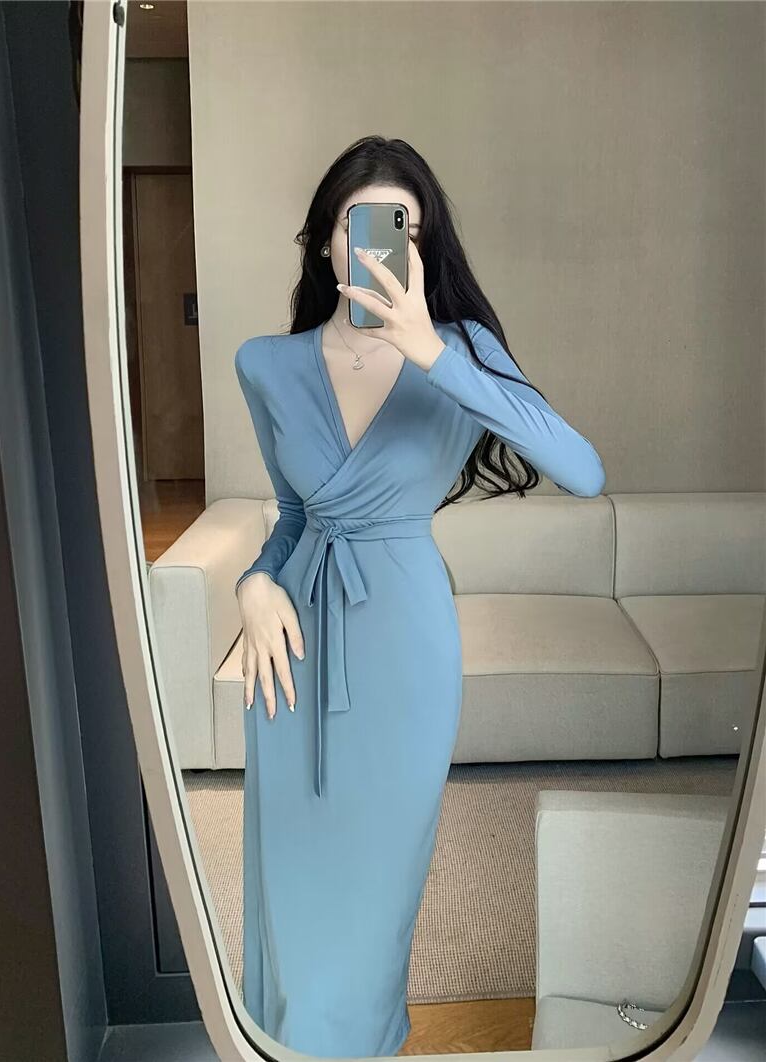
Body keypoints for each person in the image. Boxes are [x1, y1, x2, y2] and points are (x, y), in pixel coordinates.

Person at [233, 135, 605, 1057]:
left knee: (376, 893)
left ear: (422, 241)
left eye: (401, 225)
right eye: (359, 223)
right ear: (325, 240)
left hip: (405, 651)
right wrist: (253, 582)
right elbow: (293, 515)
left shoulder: (461, 352)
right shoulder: (265, 364)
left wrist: (430, 351)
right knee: (294, 885)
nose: (378, 241)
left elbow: (583, 470)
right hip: (291, 654)